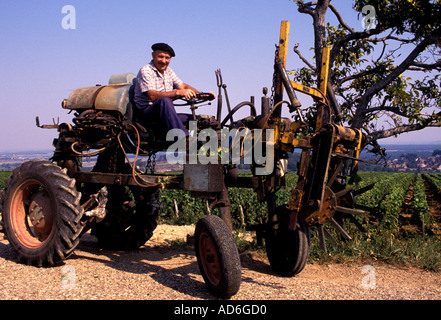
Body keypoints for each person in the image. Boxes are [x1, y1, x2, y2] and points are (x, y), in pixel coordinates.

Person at [133, 43, 200, 138]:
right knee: (165, 101)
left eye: (167, 58)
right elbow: (152, 96)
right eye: (160, 57)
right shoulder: (146, 70)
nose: (164, 61)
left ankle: (197, 145)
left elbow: (183, 86)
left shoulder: (169, 71)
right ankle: (184, 139)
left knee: (194, 120)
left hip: (163, 113)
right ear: (153, 55)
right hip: (145, 113)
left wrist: (201, 94)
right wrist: (177, 92)